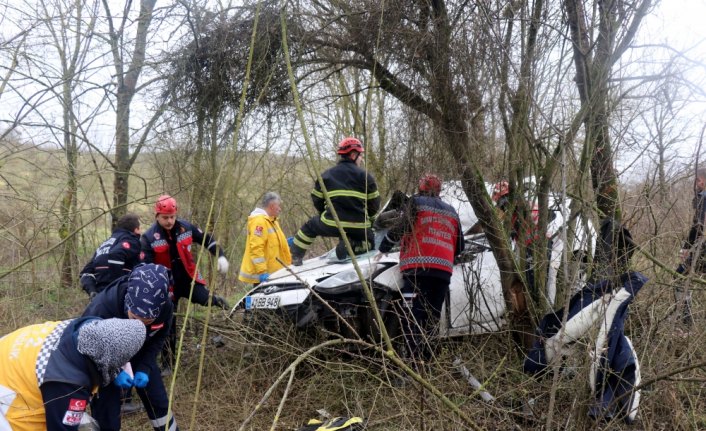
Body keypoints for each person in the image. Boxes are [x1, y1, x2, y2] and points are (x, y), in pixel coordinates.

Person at [0, 317, 146, 430]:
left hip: (10, 358)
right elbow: (61, 428)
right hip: (6, 399)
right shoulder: (68, 383)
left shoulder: (81, 328)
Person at [377, 174, 464, 363]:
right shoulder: (451, 211)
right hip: (443, 273)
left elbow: (401, 226)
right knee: (432, 318)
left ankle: (414, 364)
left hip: (417, 270)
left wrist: (383, 248)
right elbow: (460, 247)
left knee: (413, 318)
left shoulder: (415, 202)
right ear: (438, 191)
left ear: (420, 188)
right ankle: (428, 361)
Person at [82, 263, 176, 431]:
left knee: (159, 402)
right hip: (105, 358)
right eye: (134, 319)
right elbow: (86, 346)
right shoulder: (102, 309)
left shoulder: (165, 307)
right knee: (107, 413)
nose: (138, 327)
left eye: (146, 323)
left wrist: (145, 367)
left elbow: (159, 338)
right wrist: (114, 371)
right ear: (128, 304)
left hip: (142, 352)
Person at [140, 195, 229, 370]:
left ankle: (225, 307)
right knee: (168, 325)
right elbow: (146, 269)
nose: (169, 221)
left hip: (189, 279)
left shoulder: (185, 228)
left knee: (206, 299)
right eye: (165, 217)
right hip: (166, 287)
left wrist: (221, 256)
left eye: (172, 217)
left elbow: (207, 239)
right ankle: (168, 364)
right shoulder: (149, 237)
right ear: (157, 215)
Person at [290, 137, 381, 266]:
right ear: (353, 155)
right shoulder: (366, 176)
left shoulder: (326, 175)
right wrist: (369, 221)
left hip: (332, 223)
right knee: (370, 242)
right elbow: (374, 204)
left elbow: (316, 198)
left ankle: (296, 256)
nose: (361, 159)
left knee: (309, 227)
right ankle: (353, 245)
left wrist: (324, 213)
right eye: (360, 156)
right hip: (359, 226)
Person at [79, 213, 142, 298]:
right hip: (118, 298)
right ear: (136, 229)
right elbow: (116, 254)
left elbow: (85, 273)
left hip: (99, 298)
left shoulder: (104, 245)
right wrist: (116, 288)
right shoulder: (131, 239)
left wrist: (92, 291)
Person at [238, 192, 292, 285]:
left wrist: (285, 243)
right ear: (271, 206)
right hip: (265, 277)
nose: (280, 209)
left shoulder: (271, 220)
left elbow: (270, 243)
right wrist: (262, 272)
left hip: (274, 274)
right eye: (278, 206)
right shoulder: (259, 221)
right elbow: (256, 248)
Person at [675, 168, 706, 326]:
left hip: (703, 246)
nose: (695, 184)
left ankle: (686, 324)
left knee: (680, 277)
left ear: (702, 181)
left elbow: (698, 226)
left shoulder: (703, 198)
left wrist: (686, 248)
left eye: (696, 181)